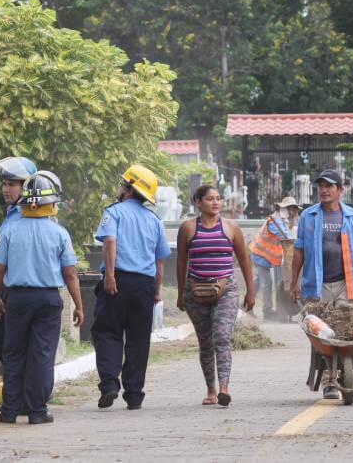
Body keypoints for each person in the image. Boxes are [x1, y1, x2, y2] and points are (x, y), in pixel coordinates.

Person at [0, 171, 84, 424]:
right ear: (49, 203)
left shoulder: (10, 230)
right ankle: (37, 411)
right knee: (42, 354)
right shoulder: (59, 233)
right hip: (48, 300)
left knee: (14, 353)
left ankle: (9, 411)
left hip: (17, 300)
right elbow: (70, 273)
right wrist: (79, 304)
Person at [289, 169, 353, 400]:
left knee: (346, 332)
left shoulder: (352, 216)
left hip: (346, 283)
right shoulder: (309, 216)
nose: (324, 190)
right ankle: (329, 380)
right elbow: (298, 251)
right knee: (323, 335)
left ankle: (340, 375)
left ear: (340, 190)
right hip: (316, 286)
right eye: (321, 186)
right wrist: (294, 282)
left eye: (329, 186)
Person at [92, 164, 171, 411]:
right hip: (144, 285)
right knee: (138, 339)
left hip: (117, 281)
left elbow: (110, 242)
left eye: (122, 184)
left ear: (128, 189)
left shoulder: (113, 213)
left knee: (107, 332)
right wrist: (157, 291)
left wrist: (110, 276)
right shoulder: (154, 220)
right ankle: (134, 394)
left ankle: (109, 385)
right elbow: (159, 261)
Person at [176, 185, 255, 406]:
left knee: (221, 337)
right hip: (195, 291)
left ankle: (224, 388)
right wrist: (181, 293)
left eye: (218, 199)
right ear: (198, 202)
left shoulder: (231, 228)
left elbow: (244, 260)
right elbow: (181, 261)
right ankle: (210, 389)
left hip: (226, 291)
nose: (216, 203)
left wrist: (250, 291)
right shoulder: (188, 228)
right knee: (205, 342)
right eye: (210, 199)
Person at [0, 156, 38, 365]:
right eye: (4, 184)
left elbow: (1, 266)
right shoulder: (11, 214)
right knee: (1, 341)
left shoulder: (30, 217)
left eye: (12, 184)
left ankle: (23, 394)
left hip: (18, 289)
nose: (6, 189)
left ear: (26, 187)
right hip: (6, 290)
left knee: (14, 348)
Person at [249, 198, 294, 320]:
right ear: (282, 208)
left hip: (266, 255)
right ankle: (267, 311)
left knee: (258, 281)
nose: (291, 211)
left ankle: (246, 306)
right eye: (289, 208)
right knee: (267, 283)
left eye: (293, 208)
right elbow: (286, 237)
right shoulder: (275, 221)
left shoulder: (282, 220)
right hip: (261, 255)